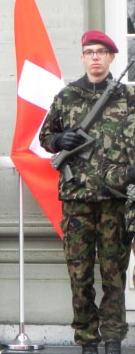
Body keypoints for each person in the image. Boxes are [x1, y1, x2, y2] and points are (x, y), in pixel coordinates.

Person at [39, 30, 133, 354]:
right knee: (79, 276)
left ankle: (112, 340)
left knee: (114, 275)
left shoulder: (128, 98)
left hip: (116, 199)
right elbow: (45, 137)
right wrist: (59, 141)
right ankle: (87, 341)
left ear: (111, 58)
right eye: (90, 52)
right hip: (77, 200)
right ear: (82, 57)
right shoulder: (66, 97)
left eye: (101, 52)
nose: (95, 57)